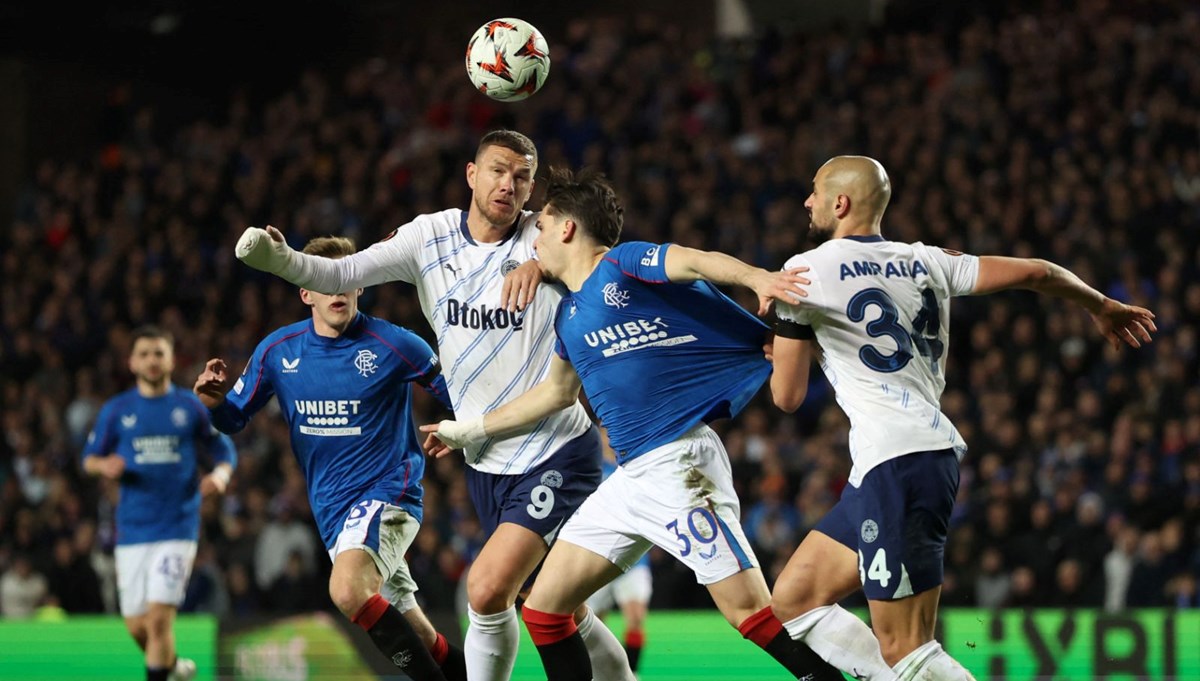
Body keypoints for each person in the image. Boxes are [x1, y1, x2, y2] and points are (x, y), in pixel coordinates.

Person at [233, 130, 633, 680]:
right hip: (488, 460)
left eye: (521, 177)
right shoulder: (430, 236)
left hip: (555, 446)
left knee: (489, 589)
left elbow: (604, 258)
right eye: (497, 170)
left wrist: (544, 265)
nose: (508, 185)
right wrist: (282, 260)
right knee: (552, 602)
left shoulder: (546, 238)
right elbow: (343, 273)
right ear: (472, 174)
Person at [423, 166, 846, 681]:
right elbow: (555, 393)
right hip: (629, 481)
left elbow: (692, 261)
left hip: (680, 466)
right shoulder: (570, 315)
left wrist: (757, 277)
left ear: (567, 229)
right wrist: (470, 430)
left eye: (543, 224)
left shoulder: (621, 264)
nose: (533, 236)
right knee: (545, 608)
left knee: (749, 613)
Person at [766, 155, 1157, 680]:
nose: (807, 201)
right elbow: (1038, 272)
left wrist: (791, 343)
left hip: (897, 459)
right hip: (908, 456)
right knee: (796, 598)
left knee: (905, 645)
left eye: (814, 191)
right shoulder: (927, 260)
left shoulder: (804, 271)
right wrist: (1099, 303)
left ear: (841, 203)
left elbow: (787, 397)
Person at [193, 236, 466, 681]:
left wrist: (466, 431)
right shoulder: (279, 351)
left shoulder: (396, 344)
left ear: (362, 284)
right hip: (333, 514)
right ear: (305, 290)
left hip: (389, 494)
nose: (337, 289)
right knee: (420, 635)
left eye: (348, 278)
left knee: (346, 589)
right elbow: (234, 419)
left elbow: (464, 397)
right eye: (325, 280)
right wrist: (212, 402)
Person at [82, 325, 238, 681]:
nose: (152, 360)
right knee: (137, 624)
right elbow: (89, 458)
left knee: (157, 620)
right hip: (132, 529)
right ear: (132, 362)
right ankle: (172, 667)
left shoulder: (189, 407)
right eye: (145, 354)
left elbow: (223, 448)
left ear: (171, 359)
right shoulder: (117, 410)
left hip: (177, 526)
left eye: (159, 353)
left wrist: (220, 476)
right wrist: (103, 465)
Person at [584, 446, 652, 675]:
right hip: (599, 556)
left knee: (635, 617)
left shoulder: (636, 465)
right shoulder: (590, 469)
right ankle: (600, 672)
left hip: (635, 559)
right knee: (595, 623)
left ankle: (632, 673)